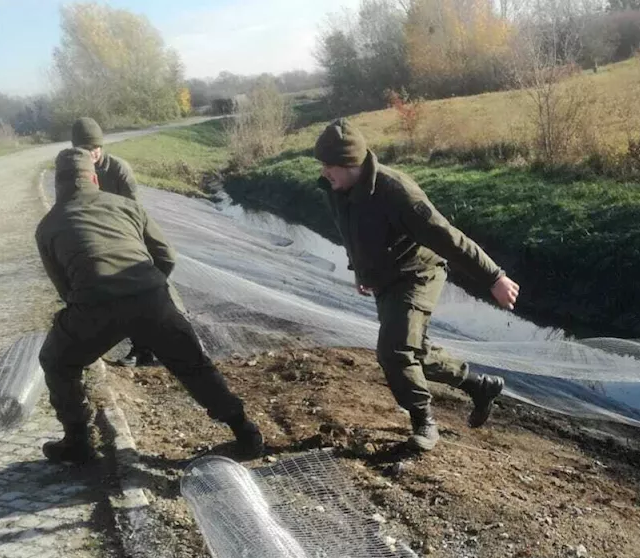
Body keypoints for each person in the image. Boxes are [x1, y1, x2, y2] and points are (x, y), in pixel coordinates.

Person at [36, 148, 264, 464]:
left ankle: (77, 441)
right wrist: (150, 289)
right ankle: (246, 433)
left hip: (93, 308)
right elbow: (167, 256)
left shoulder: (47, 226)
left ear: (58, 184)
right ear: (93, 178)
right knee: (193, 365)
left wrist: (92, 318)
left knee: (56, 361)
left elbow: (64, 289)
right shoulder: (127, 207)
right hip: (152, 298)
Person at [313, 118, 520, 452]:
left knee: (394, 351)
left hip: (417, 274)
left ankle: (423, 421)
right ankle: (478, 386)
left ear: (350, 162)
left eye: (329, 166)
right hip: (383, 279)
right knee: (414, 351)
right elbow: (350, 231)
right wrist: (359, 271)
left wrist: (494, 277)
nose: (323, 172)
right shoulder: (336, 189)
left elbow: (448, 239)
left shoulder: (397, 193)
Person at [70, 117, 155, 367]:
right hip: (97, 240)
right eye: (84, 150)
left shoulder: (119, 170)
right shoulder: (76, 171)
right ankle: (109, 344)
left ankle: (145, 349)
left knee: (140, 293)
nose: (91, 154)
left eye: (94, 148)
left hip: (125, 236)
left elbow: (135, 211)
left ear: (101, 146)